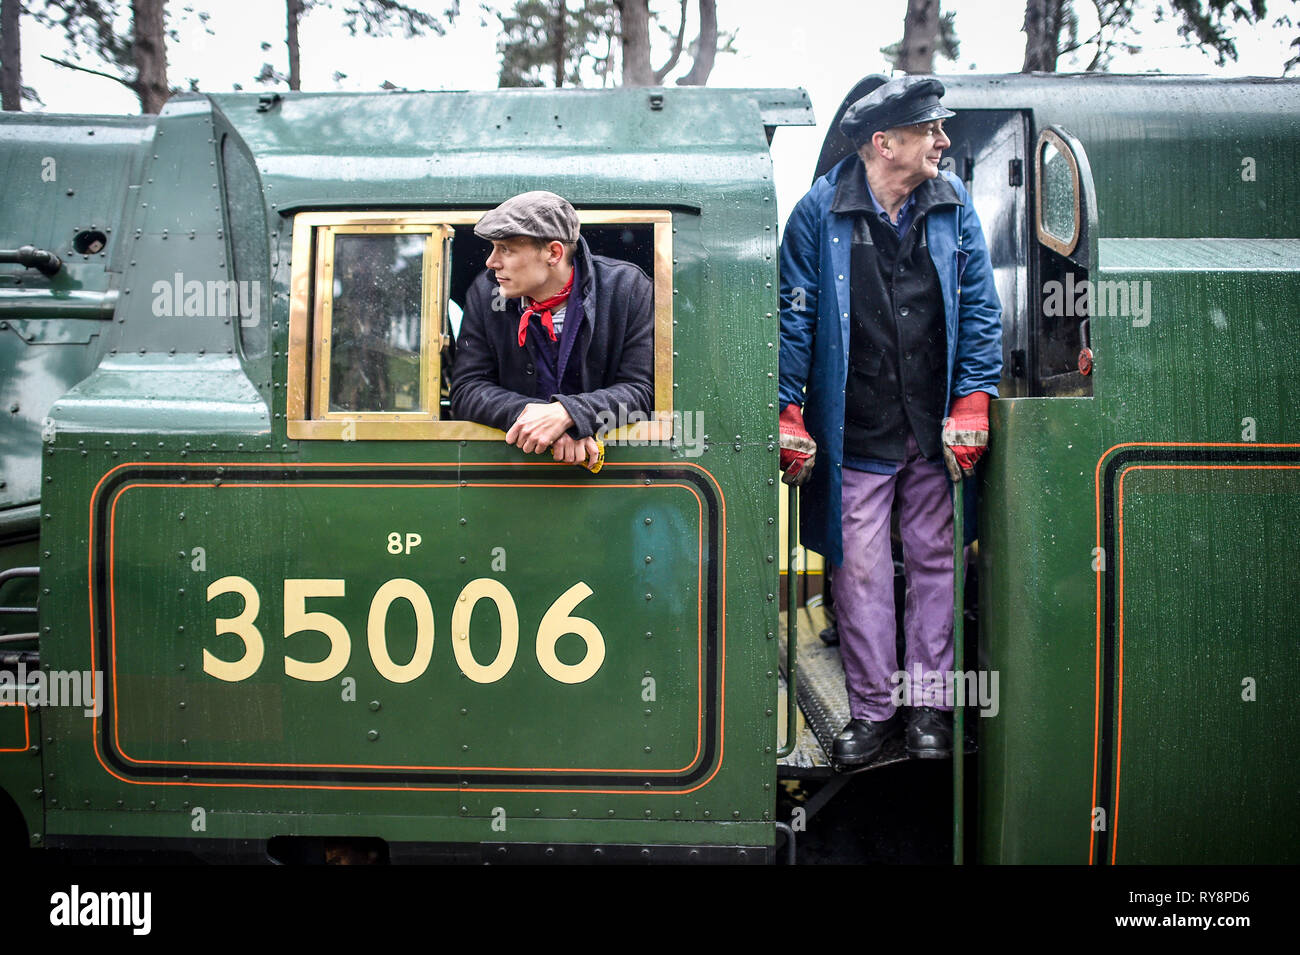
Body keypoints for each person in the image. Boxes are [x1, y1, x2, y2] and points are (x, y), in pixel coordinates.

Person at [777, 77, 1002, 766]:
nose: (942, 141)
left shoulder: (952, 202)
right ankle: (875, 712)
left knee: (936, 563)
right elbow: (794, 315)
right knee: (863, 572)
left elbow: (981, 306)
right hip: (857, 427)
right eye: (930, 130)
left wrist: (974, 396)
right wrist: (787, 406)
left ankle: (929, 708)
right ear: (885, 142)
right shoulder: (819, 211)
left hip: (931, 426)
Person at [451, 191, 653, 468]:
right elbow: (466, 390)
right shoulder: (485, 292)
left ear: (553, 252)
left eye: (505, 249)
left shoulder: (628, 288)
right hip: (514, 474)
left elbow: (642, 390)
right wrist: (541, 419)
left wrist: (570, 414)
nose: (491, 262)